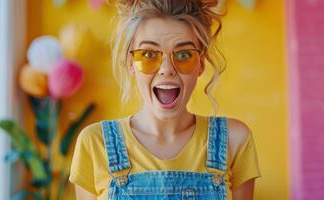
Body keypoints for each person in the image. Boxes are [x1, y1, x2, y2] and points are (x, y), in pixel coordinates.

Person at [69, 0, 261, 199]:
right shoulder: (94, 143)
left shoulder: (234, 140)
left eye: (184, 54)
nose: (167, 69)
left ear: (201, 64)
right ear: (130, 64)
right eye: (149, 54)